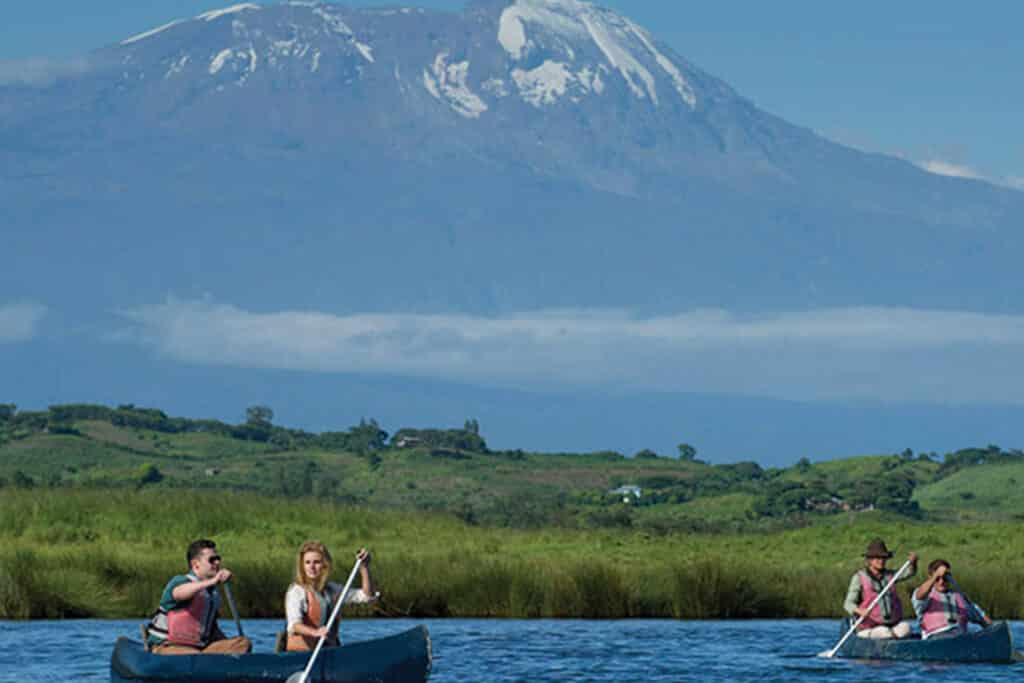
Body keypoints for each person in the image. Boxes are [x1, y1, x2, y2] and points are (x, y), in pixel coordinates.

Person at [147, 539, 252, 655]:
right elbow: (179, 593)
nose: (217, 563)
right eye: (212, 560)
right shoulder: (180, 581)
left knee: (243, 643)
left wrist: (229, 647)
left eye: (218, 559)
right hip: (166, 646)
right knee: (193, 655)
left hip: (200, 649)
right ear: (195, 564)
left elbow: (213, 629)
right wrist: (213, 581)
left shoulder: (211, 593)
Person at [285, 541, 378, 651]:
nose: (312, 567)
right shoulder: (296, 591)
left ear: (325, 565)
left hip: (329, 652)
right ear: (302, 566)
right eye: (307, 562)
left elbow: (367, 596)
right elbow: (294, 625)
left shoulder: (332, 590)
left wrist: (364, 568)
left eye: (317, 562)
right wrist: (316, 632)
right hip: (302, 654)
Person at [842, 538, 917, 639]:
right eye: (877, 558)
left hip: (892, 626)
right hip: (868, 628)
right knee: (884, 633)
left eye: (883, 558)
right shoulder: (859, 577)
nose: (881, 561)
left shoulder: (890, 576)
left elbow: (909, 573)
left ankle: (894, 641)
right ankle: (890, 639)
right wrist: (860, 611)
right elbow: (848, 604)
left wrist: (913, 563)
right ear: (869, 560)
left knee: (906, 628)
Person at [913, 559, 993, 639]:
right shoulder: (925, 595)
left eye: (945, 578)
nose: (941, 582)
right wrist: (936, 574)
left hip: (960, 638)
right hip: (935, 638)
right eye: (937, 579)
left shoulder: (960, 597)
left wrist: (992, 632)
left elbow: (983, 619)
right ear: (931, 578)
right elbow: (920, 595)